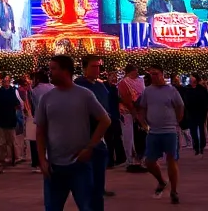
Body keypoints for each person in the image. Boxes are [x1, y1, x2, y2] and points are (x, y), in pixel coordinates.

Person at [35, 55, 111, 211]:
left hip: (79, 165)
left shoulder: (84, 95)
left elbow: (105, 120)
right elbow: (40, 131)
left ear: (65, 71)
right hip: (54, 167)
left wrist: (90, 147)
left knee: (87, 206)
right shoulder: (47, 98)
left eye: (53, 69)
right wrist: (42, 160)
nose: (50, 72)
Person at [136, 64, 184, 203]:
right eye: (151, 74)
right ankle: (161, 181)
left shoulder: (171, 90)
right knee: (149, 162)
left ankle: (174, 191)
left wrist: (177, 121)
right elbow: (142, 107)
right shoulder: (147, 91)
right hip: (154, 132)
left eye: (156, 73)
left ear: (162, 74)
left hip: (169, 131)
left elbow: (180, 106)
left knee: (171, 160)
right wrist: (144, 123)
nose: (153, 76)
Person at [74, 57, 114, 206]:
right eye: (93, 66)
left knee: (98, 182)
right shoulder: (78, 86)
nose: (97, 69)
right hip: (84, 139)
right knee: (85, 184)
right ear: (84, 68)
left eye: (98, 66)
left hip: (100, 139)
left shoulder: (101, 86)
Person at [117, 65, 146, 170]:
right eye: (135, 72)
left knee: (140, 136)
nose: (137, 74)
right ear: (129, 72)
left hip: (140, 113)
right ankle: (130, 159)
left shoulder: (140, 81)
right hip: (127, 113)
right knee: (129, 137)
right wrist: (134, 112)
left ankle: (140, 158)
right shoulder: (123, 83)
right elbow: (126, 99)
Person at [27, 69, 55, 173]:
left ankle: (41, 162)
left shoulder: (34, 90)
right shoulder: (53, 87)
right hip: (53, 117)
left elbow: (33, 105)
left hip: (41, 117)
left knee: (40, 140)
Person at [0, 73, 21, 172]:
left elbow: (17, 104)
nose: (6, 82)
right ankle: (3, 159)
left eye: (7, 80)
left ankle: (13, 158)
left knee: (11, 141)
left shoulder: (13, 91)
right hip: (1, 119)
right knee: (2, 142)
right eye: (4, 80)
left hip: (10, 119)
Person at [186, 73, 208, 157]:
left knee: (201, 130)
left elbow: (206, 101)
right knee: (193, 131)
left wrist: (205, 111)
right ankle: (196, 147)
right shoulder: (187, 89)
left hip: (200, 113)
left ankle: (202, 146)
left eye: (192, 77)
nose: (190, 78)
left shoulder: (202, 89)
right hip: (191, 113)